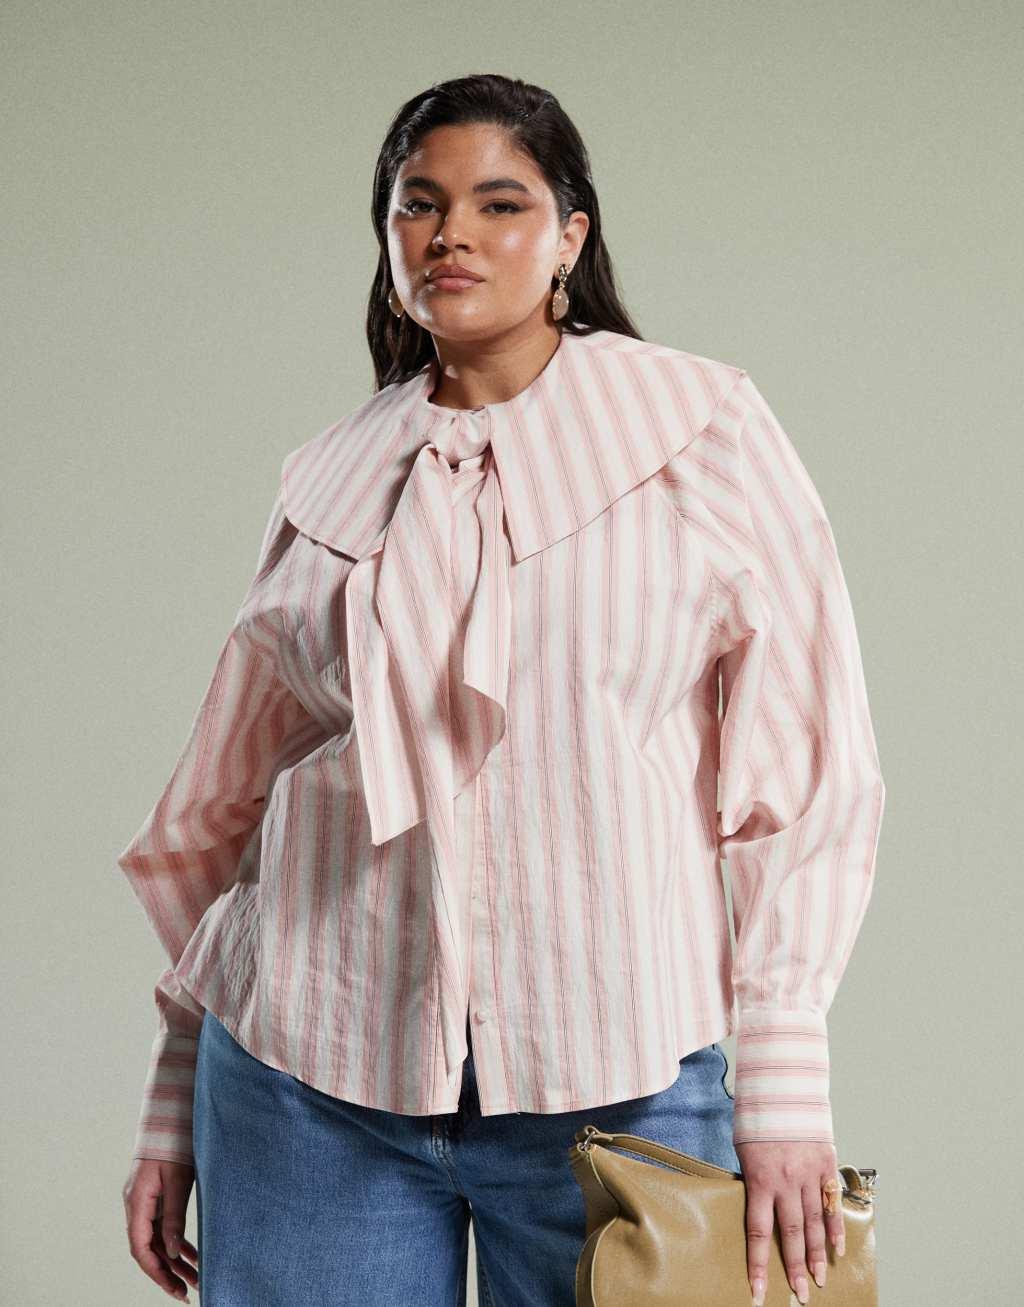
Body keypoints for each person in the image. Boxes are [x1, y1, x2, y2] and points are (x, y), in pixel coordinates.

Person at [118, 73, 885, 1307]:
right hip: (304, 1079)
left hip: (621, 1074)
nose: (451, 234)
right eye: (418, 205)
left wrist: (786, 1078)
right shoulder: (327, 477)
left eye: (498, 203)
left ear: (569, 235)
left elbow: (809, 765)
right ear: (387, 238)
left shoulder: (699, 429)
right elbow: (231, 806)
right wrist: (173, 1095)